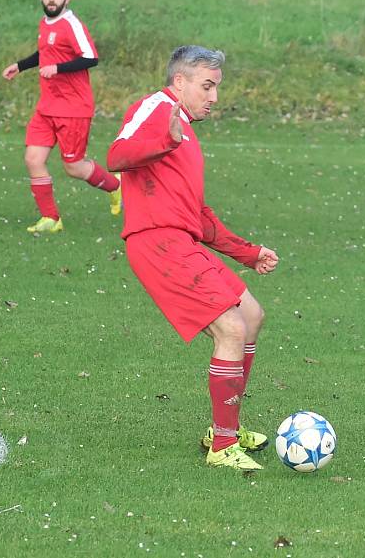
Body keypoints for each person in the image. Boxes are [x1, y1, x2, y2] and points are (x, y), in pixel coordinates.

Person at [107, 45, 279, 472]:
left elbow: (199, 216)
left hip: (182, 241)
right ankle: (222, 447)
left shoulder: (184, 128)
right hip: (156, 242)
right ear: (179, 81)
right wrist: (163, 138)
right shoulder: (156, 108)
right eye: (207, 86)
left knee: (252, 315)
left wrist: (249, 252)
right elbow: (116, 156)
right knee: (232, 328)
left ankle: (227, 428)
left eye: (217, 87)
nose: (214, 97)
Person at [2, 0, 121, 234]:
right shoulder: (45, 23)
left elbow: (91, 58)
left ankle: (116, 186)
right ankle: (51, 219)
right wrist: (20, 66)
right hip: (47, 107)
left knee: (73, 167)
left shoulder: (72, 24)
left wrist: (58, 68)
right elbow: (44, 53)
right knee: (33, 159)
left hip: (73, 108)